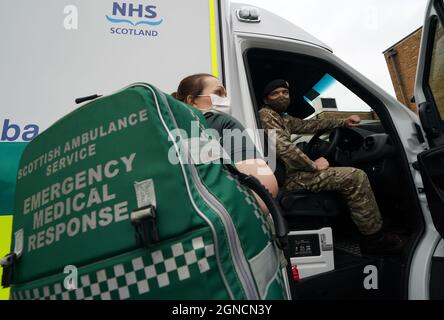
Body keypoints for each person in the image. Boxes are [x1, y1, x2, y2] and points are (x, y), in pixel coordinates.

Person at [259, 79, 406, 254]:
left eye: (285, 92)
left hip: (288, 174)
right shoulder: (266, 115)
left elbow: (310, 125)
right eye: (275, 93)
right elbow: (283, 146)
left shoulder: (281, 118)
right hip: (290, 179)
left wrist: (343, 122)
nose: (282, 96)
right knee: (355, 176)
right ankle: (374, 239)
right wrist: (313, 165)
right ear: (266, 99)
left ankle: (365, 225)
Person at [172, 73, 278, 214]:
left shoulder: (174, 132)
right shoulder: (222, 122)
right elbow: (262, 193)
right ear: (192, 101)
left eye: (225, 95)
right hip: (235, 220)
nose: (225, 100)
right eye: (218, 93)